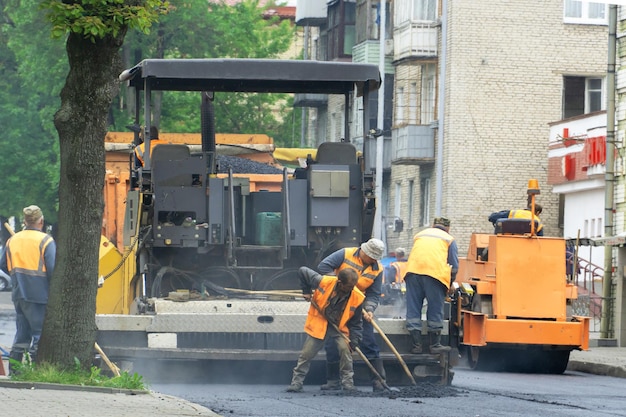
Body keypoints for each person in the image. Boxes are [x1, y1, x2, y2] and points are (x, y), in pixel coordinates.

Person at [317, 238, 387, 392]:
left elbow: (374, 294)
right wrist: (340, 283)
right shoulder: (345, 254)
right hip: (338, 305)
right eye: (370, 256)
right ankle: (333, 381)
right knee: (333, 343)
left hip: (357, 306)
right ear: (364, 251)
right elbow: (323, 266)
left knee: (368, 342)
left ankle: (378, 381)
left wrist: (369, 309)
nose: (372, 260)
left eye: (375, 258)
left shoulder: (377, 269)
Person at [286, 267, 364, 393]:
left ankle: (348, 384)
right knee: (306, 354)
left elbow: (356, 323)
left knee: (346, 351)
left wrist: (354, 340)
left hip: (339, 328)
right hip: (321, 324)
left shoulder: (357, 297)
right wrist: (306, 291)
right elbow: (302, 271)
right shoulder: (323, 282)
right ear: (340, 283)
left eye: (353, 286)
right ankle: (297, 383)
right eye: (349, 286)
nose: (352, 289)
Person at [0, 205, 56, 374]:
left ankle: (15, 371)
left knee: (22, 335)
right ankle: (37, 371)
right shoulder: (46, 241)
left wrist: (17, 275)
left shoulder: (12, 240)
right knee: (39, 335)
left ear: (24, 221)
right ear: (41, 221)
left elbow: (3, 264)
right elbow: (53, 269)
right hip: (39, 295)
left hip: (19, 294)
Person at [404, 217, 458, 354]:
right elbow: (454, 266)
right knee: (435, 308)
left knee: (413, 308)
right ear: (448, 228)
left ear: (433, 225)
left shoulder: (420, 235)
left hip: (412, 273)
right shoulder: (449, 239)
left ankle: (416, 345)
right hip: (434, 275)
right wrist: (450, 284)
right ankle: (434, 345)